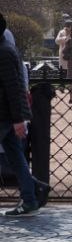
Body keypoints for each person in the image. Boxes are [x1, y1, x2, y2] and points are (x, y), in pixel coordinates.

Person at [1, 12, 38, 217]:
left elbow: (13, 89)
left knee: (16, 156)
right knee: (16, 156)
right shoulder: (7, 49)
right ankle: (31, 197)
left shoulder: (4, 52)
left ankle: (31, 197)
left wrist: (17, 120)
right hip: (7, 115)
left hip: (4, 115)